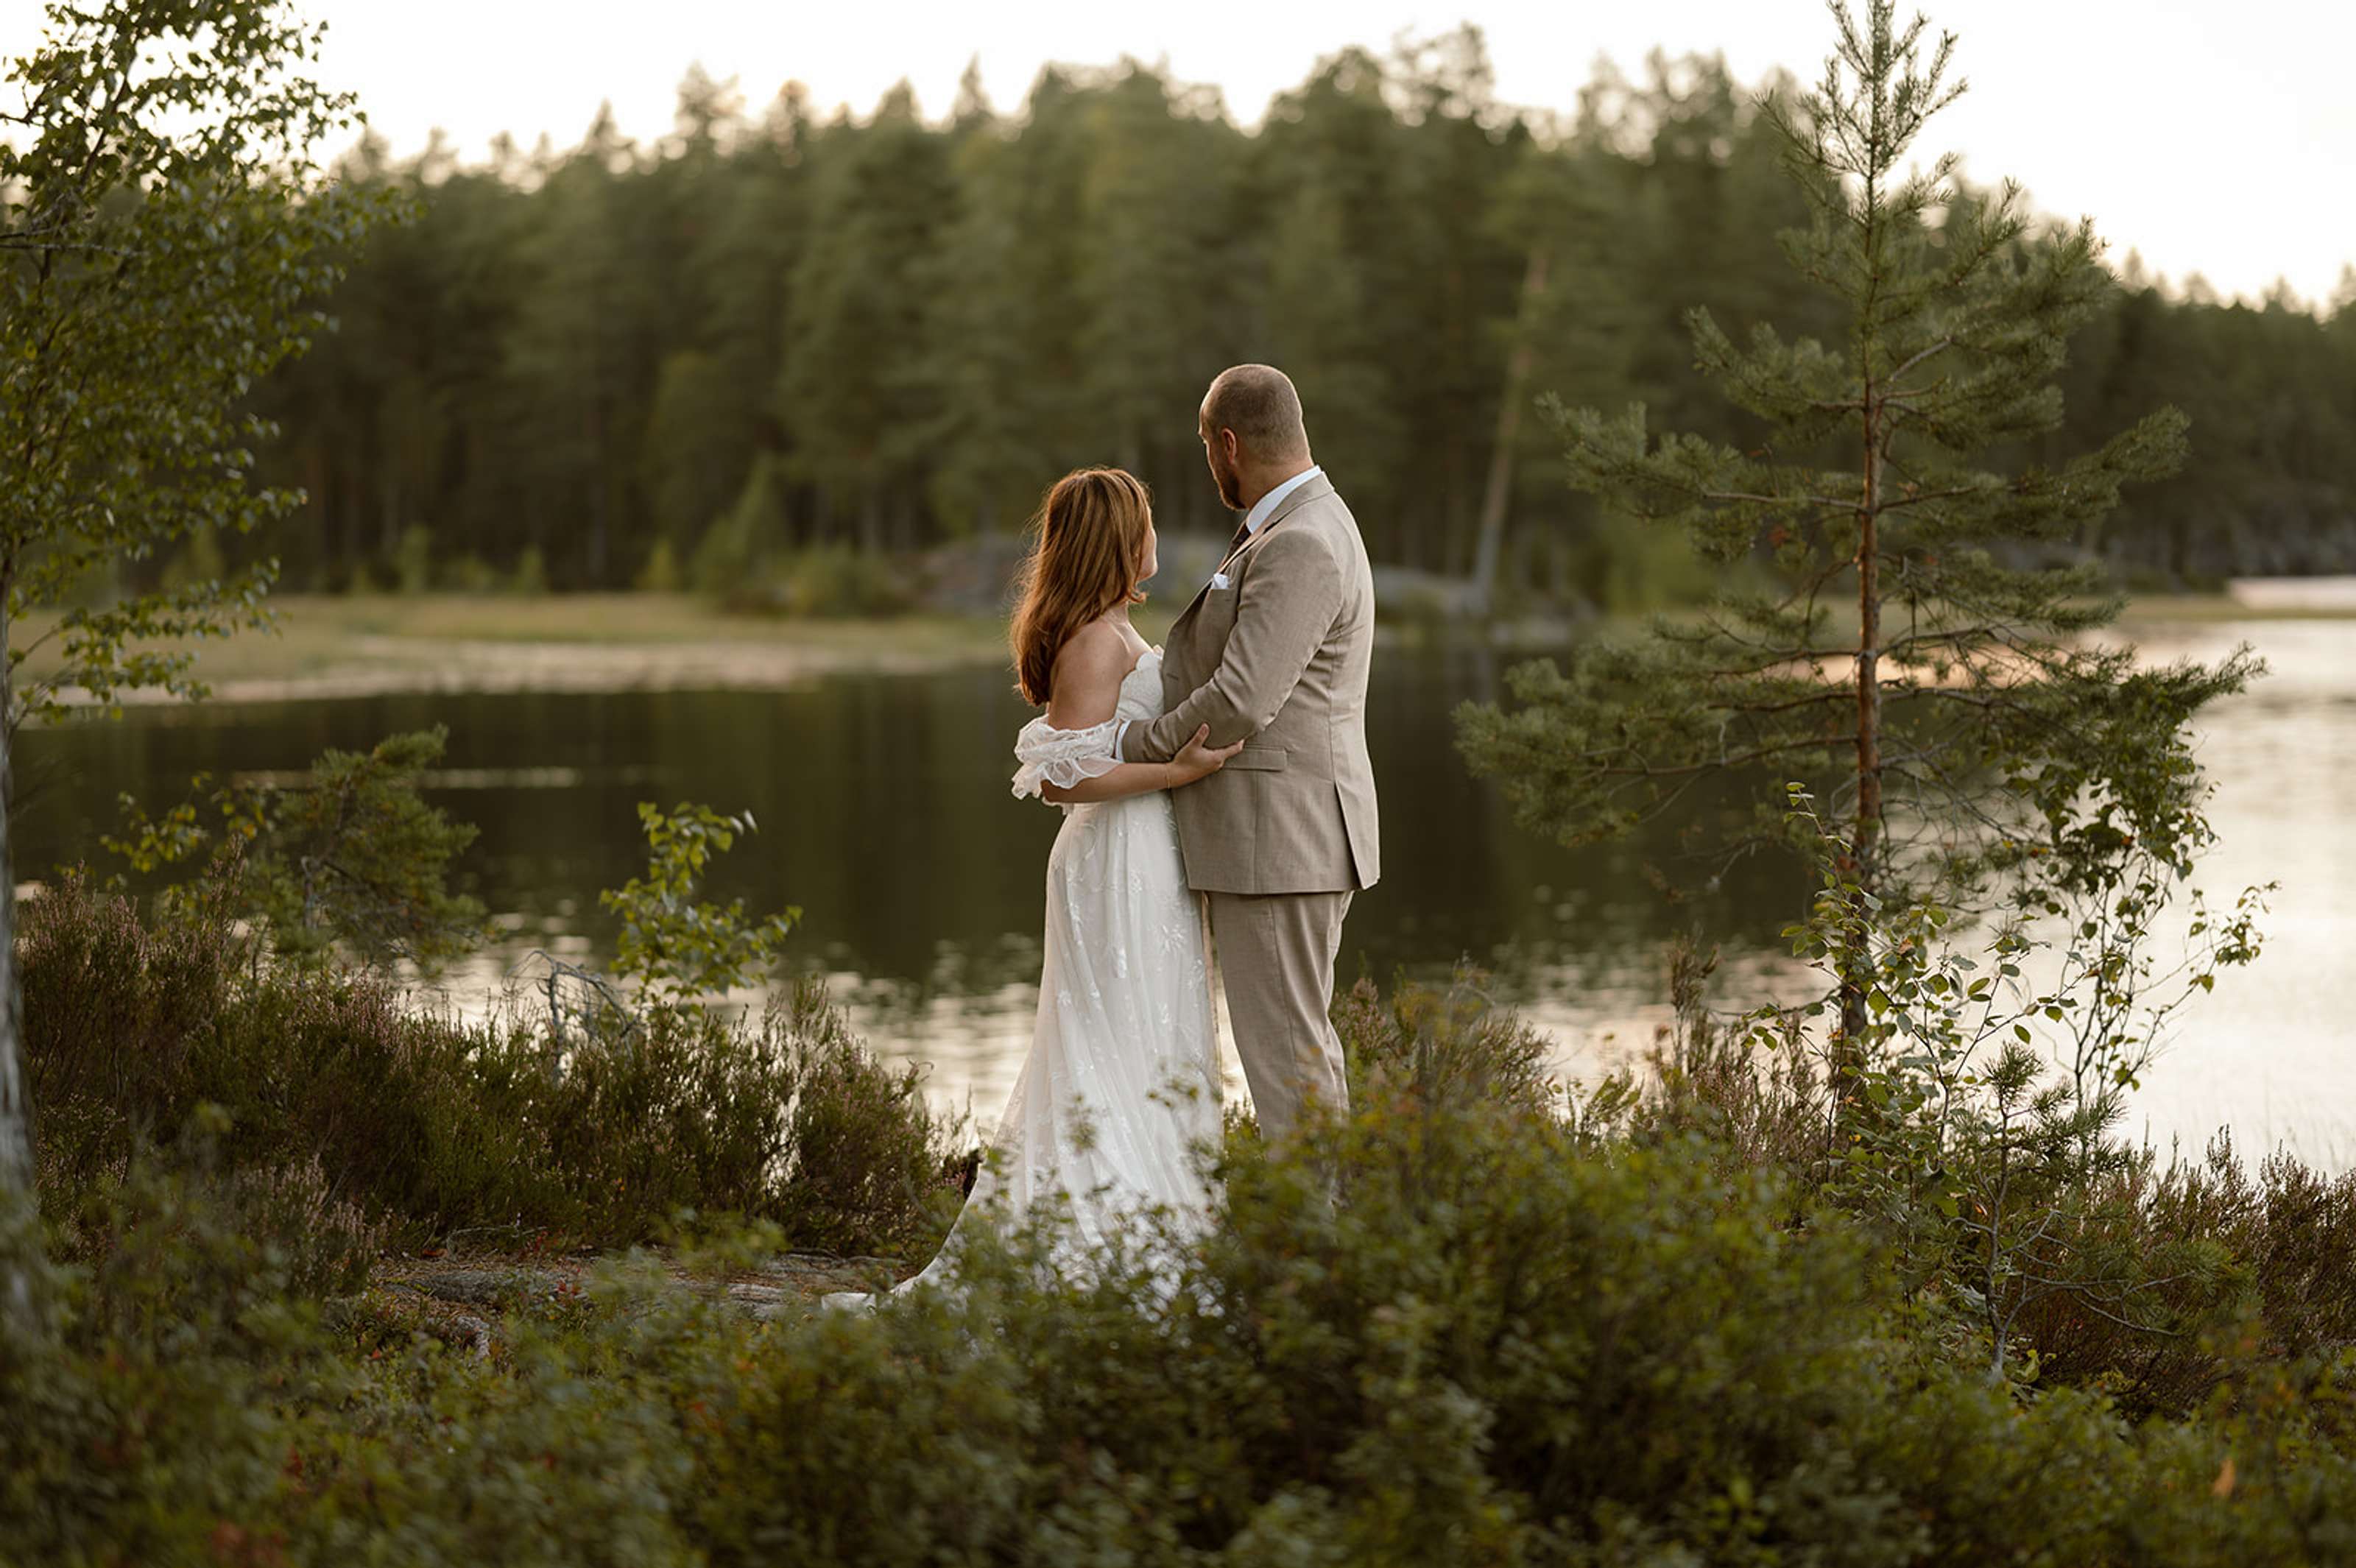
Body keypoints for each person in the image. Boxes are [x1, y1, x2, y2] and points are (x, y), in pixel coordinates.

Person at [825, 465, 1238, 1307]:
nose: (1155, 536)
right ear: (1120, 539)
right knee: (1110, 1043)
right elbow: (1064, 779)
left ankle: (1156, 1231)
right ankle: (1104, 1251)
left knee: (1153, 1038)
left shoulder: (1113, 628)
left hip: (1144, 857)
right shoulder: (1092, 640)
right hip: (1113, 863)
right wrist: (1176, 771)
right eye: (1146, 521)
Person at [1117, 364, 1380, 1145]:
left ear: (1226, 444)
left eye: (1205, 446)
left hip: (1281, 839)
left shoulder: (1301, 540)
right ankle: (1313, 1236)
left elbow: (1241, 699)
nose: (1208, 461)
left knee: (1287, 1058)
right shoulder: (1292, 526)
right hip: (1279, 836)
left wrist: (1136, 748)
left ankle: (1311, 1249)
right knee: (1293, 1052)